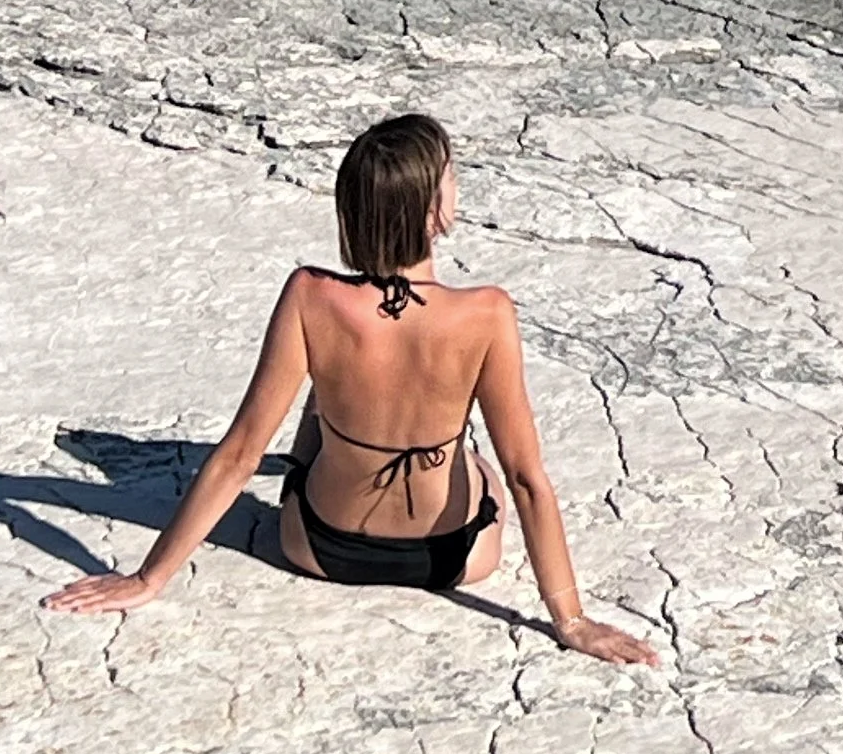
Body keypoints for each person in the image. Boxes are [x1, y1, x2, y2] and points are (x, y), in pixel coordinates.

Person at [45, 110, 657, 665]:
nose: (457, 184)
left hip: (320, 548)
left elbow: (240, 455)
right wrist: (571, 621)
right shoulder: (487, 314)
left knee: (326, 389)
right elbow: (525, 477)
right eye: (451, 175)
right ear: (432, 210)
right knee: (481, 466)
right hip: (454, 557)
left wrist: (148, 579)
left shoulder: (309, 296)